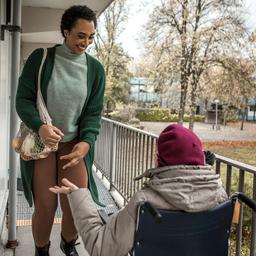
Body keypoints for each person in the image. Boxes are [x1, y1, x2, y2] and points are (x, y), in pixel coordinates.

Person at [50, 124, 228, 256]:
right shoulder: (221, 196)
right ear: (200, 158)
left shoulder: (145, 203)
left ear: (160, 159)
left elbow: (100, 247)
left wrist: (78, 194)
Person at [15, 5, 105, 256]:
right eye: (80, 35)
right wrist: (40, 126)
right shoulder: (41, 57)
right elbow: (22, 100)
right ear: (66, 32)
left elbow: (93, 113)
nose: (86, 42)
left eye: (91, 37)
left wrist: (86, 141)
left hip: (73, 145)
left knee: (76, 204)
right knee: (46, 205)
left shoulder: (95, 69)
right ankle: (41, 250)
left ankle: (68, 243)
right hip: (42, 144)